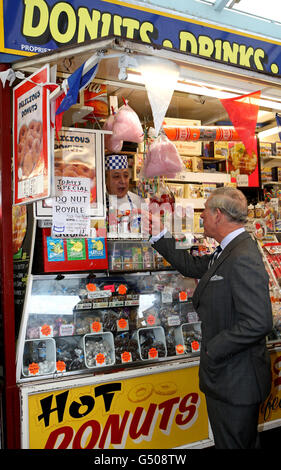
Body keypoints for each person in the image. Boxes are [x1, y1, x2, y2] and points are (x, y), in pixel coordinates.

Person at [144, 186, 273, 449]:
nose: (201, 216)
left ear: (218, 215)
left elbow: (258, 321)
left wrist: (213, 349)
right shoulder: (228, 249)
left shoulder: (242, 255)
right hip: (229, 377)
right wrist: (158, 231)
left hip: (236, 379)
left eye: (205, 211)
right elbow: (192, 266)